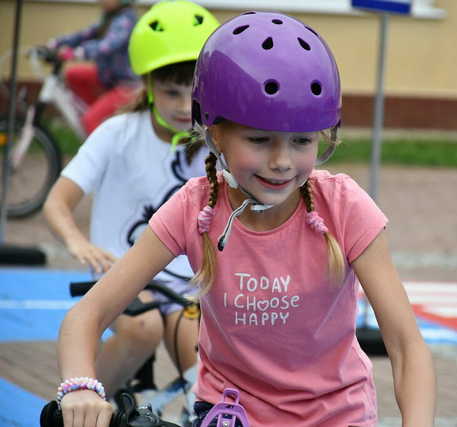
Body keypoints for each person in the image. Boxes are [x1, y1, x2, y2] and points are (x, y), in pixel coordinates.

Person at [54, 10, 436, 427]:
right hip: (230, 415)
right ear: (215, 134)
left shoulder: (343, 206)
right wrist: (80, 387)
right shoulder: (193, 209)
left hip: (337, 416)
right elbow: (85, 316)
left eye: (302, 140)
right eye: (259, 139)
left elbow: (405, 345)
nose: (282, 161)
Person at [43, 0, 219, 410]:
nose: (181, 106)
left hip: (185, 283)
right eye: (169, 91)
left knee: (205, 367)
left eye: (191, 93)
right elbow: (57, 201)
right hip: (122, 274)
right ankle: (72, 410)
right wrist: (77, 242)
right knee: (142, 328)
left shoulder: (214, 141)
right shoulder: (118, 132)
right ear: (146, 84)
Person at [47, 0, 139, 135]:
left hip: (126, 85)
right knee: (73, 75)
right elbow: (85, 34)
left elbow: (108, 45)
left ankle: (101, 146)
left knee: (90, 121)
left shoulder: (126, 20)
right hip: (107, 77)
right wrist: (57, 42)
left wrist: (80, 52)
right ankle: (97, 113)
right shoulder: (108, 17)